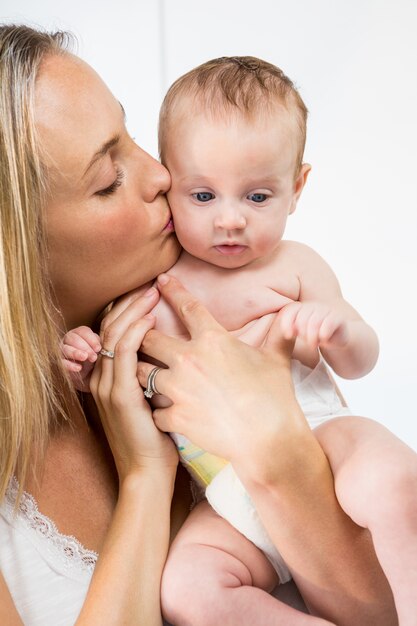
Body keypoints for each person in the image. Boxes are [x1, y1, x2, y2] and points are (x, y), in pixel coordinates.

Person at [61, 56, 417, 626]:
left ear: (297, 187)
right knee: (187, 591)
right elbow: (110, 377)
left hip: (323, 438)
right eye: (203, 196)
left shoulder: (295, 266)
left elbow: (360, 361)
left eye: (257, 197)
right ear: (169, 180)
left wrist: (339, 328)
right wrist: (83, 359)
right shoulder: (138, 289)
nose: (230, 221)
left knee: (390, 479)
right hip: (224, 494)